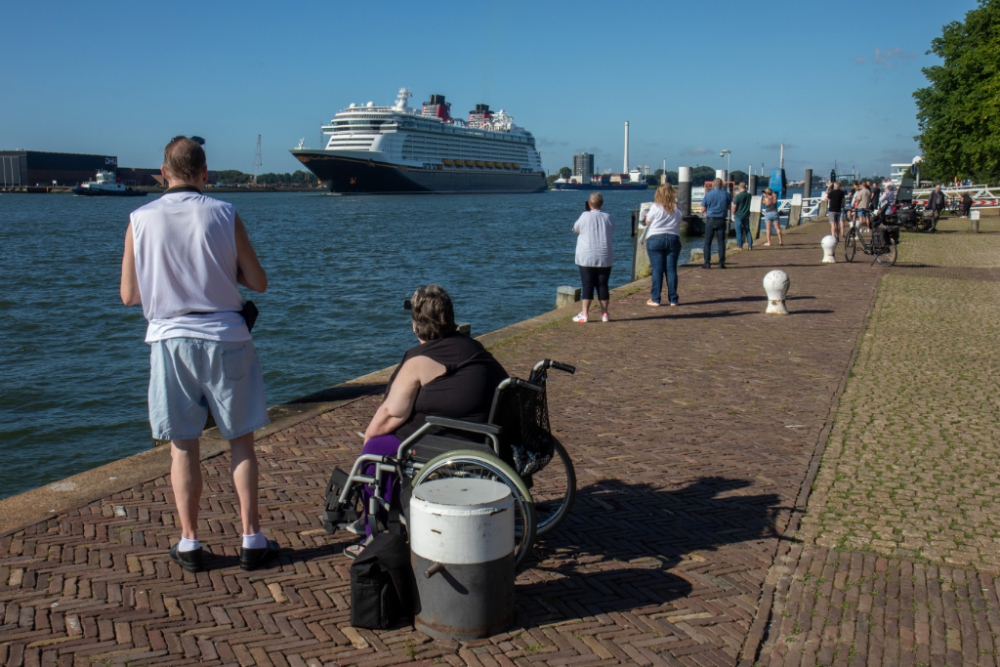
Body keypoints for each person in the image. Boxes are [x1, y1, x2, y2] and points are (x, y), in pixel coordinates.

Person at [120, 136, 274, 574]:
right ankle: (252, 538)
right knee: (240, 440)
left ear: (163, 173)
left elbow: (129, 295)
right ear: (205, 174)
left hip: (169, 340)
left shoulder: (139, 219)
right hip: (226, 334)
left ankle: (189, 542)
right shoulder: (224, 213)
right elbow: (258, 282)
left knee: (182, 447)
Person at [356, 285, 508, 554]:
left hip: (450, 440)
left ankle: (375, 534)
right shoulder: (473, 347)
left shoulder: (420, 359)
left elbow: (392, 413)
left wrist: (369, 438)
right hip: (486, 435)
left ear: (416, 325)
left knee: (374, 452)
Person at [572, 192, 615, 322]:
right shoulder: (607, 217)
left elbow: (576, 229)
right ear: (602, 204)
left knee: (587, 285)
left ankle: (585, 314)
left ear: (589, 204)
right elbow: (612, 229)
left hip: (587, 256)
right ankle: (605, 314)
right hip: (604, 256)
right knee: (603, 285)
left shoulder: (584, 216)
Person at [641, 183, 683, 307]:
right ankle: (673, 299)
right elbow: (680, 218)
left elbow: (648, 221)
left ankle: (655, 299)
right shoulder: (677, 208)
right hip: (673, 238)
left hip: (655, 238)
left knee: (657, 270)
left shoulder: (655, 207)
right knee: (671, 269)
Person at [700, 178, 732, 268]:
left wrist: (707, 213)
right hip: (721, 220)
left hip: (710, 219)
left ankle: (707, 263)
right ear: (722, 185)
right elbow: (729, 207)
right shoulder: (726, 195)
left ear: (713, 185)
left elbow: (703, 208)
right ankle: (721, 262)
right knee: (721, 242)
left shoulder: (708, 195)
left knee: (707, 242)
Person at [732, 182, 753, 250]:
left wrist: (733, 213)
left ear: (740, 188)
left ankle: (740, 246)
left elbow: (734, 207)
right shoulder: (749, 195)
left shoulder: (738, 196)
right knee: (747, 230)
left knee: (739, 231)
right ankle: (750, 245)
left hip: (739, 215)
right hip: (746, 215)